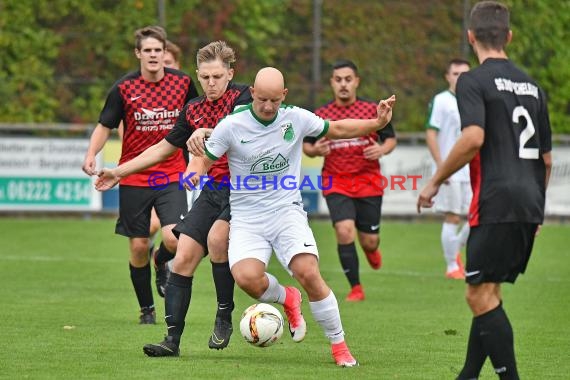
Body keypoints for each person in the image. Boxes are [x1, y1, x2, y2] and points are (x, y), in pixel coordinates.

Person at [131, 67, 395, 366]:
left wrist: (377, 122)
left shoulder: (294, 116)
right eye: (262, 100)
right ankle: (287, 298)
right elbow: (205, 159)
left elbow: (337, 129)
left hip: (286, 212)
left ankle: (340, 346)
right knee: (246, 279)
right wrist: (193, 173)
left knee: (308, 272)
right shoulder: (232, 125)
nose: (268, 107)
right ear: (252, 93)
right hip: (246, 217)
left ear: (284, 96)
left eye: (275, 100)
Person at [417, 2, 552, 379]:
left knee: (477, 295)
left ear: (471, 37)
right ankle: (468, 375)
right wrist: (536, 207)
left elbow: (473, 137)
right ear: (508, 36)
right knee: (489, 291)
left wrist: (434, 181)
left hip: (495, 199)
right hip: (528, 199)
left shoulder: (472, 81)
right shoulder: (533, 86)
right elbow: (547, 159)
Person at [93, 41, 252, 352]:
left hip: (245, 191)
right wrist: (119, 171)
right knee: (182, 258)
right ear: (198, 74)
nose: (210, 83)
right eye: (205, 77)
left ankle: (224, 315)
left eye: (218, 76)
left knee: (219, 241)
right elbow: (161, 149)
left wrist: (204, 133)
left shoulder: (243, 97)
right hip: (214, 190)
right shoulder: (192, 109)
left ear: (230, 74)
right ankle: (171, 342)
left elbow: (238, 131)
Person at [82, 26, 199, 324]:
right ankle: (146, 308)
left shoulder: (183, 83)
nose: (153, 55)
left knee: (174, 239)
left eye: (157, 50)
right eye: (147, 50)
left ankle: (162, 264)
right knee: (137, 246)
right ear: (138, 54)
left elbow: (199, 118)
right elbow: (104, 125)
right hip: (133, 177)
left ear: (164, 53)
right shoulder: (123, 88)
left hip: (171, 173)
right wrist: (90, 154)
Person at [303, 59, 397, 302]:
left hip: (368, 181)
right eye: (338, 80)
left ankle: (371, 250)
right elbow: (306, 146)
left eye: (348, 79)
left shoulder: (371, 111)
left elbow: (390, 139)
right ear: (332, 83)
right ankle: (356, 287)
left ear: (356, 82)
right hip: (336, 181)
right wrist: (316, 151)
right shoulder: (321, 116)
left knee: (369, 240)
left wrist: (381, 150)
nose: (343, 84)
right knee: (344, 231)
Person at [117, 39, 186, 278]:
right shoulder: (133, 91)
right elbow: (122, 128)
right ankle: (157, 276)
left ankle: (163, 262)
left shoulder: (183, 89)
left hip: (184, 173)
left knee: (178, 238)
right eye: (151, 53)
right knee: (147, 234)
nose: (159, 64)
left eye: (167, 61)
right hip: (146, 176)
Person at [425, 58, 472, 280]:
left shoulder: (475, 99)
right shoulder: (441, 100)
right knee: (453, 217)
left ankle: (456, 250)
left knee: (476, 215)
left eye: (465, 73)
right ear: (447, 76)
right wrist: (441, 166)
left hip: (472, 169)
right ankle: (452, 265)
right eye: (456, 73)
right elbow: (431, 133)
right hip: (451, 169)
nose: (460, 78)